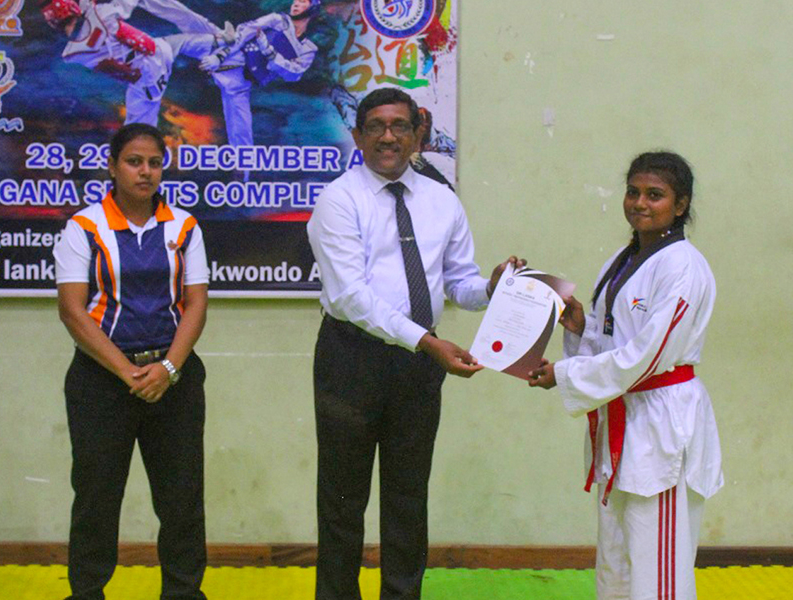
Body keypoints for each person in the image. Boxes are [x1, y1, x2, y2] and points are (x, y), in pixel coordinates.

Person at [307, 87, 524, 600]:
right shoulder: (339, 199)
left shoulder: (441, 200)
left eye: (400, 126)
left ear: (417, 133)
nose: (388, 136)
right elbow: (350, 298)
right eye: (376, 126)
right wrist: (428, 342)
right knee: (342, 501)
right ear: (357, 135)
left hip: (418, 368)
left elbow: (459, 284)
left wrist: (493, 289)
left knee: (408, 498)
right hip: (350, 359)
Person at [528, 152, 723, 600]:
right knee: (616, 561)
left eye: (655, 195)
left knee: (660, 571)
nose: (640, 203)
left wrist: (565, 373)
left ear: (680, 205)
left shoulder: (683, 267)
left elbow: (647, 357)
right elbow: (614, 339)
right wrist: (580, 330)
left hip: (663, 423)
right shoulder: (626, 257)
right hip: (626, 419)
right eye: (633, 192)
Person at [54, 123, 210, 600]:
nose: (145, 172)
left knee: (181, 499)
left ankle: (183, 592)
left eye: (154, 162)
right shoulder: (84, 227)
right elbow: (72, 311)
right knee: (97, 497)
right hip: (102, 384)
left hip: (174, 379)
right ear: (113, 166)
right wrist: (128, 374)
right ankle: (87, 592)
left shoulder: (184, 226)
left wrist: (167, 370)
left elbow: (196, 304)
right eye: (134, 161)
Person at [40, 0, 229, 125]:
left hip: (140, 74)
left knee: (136, 128)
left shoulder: (72, 52)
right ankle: (224, 41)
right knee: (180, 41)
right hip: (150, 62)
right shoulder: (102, 15)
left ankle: (222, 41)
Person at [197, 0, 320, 147]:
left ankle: (241, 165)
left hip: (245, 81)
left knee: (240, 128)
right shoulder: (276, 20)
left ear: (312, 7)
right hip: (234, 56)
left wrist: (268, 51)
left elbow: (293, 74)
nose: (296, 4)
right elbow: (245, 31)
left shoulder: (308, 48)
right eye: (295, 0)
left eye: (302, 1)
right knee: (187, 40)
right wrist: (221, 55)